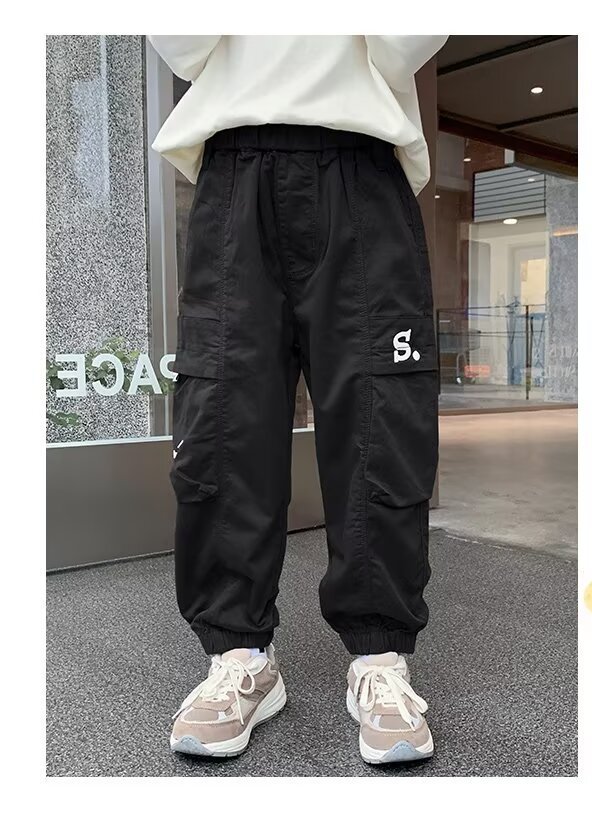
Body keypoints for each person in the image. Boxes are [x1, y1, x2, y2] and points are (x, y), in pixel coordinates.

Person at [149, 34, 447, 765]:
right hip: (234, 167)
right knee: (224, 420)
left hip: (364, 163)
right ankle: (240, 657)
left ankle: (379, 659)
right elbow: (181, 43)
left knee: (382, 419)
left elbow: (408, 40)